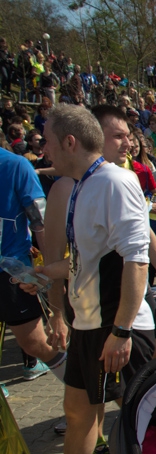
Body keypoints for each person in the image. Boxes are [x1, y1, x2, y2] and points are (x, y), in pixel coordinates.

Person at [17, 105, 155, 454]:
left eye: (47, 140)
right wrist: (45, 274)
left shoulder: (115, 181)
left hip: (115, 329)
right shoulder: (81, 185)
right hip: (90, 326)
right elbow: (88, 259)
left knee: (139, 425)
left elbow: (137, 259)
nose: (43, 149)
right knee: (78, 412)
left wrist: (121, 330)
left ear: (70, 142)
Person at [0, 144, 67, 382]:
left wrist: (51, 270)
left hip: (9, 270)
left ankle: (81, 392)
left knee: (35, 343)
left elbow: (41, 223)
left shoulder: (16, 165)